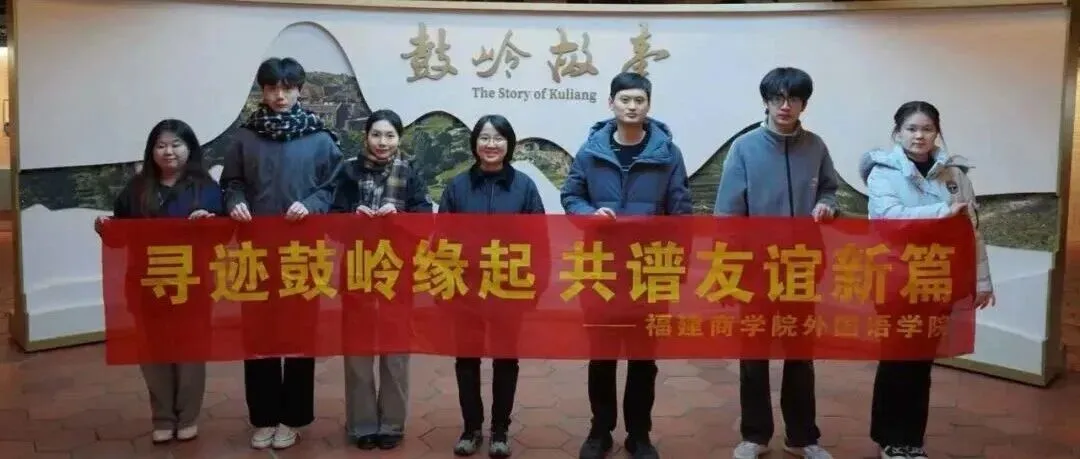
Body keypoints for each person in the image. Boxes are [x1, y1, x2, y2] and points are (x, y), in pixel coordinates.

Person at [561, 71, 692, 459]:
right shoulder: (590, 151)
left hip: (649, 271)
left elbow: (681, 213)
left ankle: (639, 435)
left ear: (648, 105)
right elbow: (571, 196)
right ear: (611, 103)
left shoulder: (668, 154)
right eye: (625, 100)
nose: (632, 106)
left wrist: (678, 268)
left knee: (643, 359)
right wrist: (588, 215)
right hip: (600, 270)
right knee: (601, 357)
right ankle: (599, 432)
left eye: (639, 100)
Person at [858, 101, 995, 459]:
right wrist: (941, 212)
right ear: (898, 133)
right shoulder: (883, 173)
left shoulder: (955, 176)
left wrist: (982, 281)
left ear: (937, 133)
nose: (919, 136)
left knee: (921, 364)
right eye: (911, 129)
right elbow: (890, 219)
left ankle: (911, 441)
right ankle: (889, 438)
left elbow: (972, 232)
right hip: (896, 281)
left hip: (935, 279)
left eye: (927, 129)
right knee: (897, 361)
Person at [219, 57, 343, 450]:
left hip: (303, 253)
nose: (280, 96)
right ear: (263, 90)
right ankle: (264, 417)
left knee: (300, 334)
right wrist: (235, 201)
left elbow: (334, 187)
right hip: (255, 253)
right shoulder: (246, 137)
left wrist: (313, 204)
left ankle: (293, 417)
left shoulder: (320, 139)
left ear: (299, 90)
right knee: (259, 336)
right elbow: (231, 182)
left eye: (288, 88)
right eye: (272, 88)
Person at [712, 67, 837, 459]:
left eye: (794, 99)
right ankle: (755, 435)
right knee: (754, 354)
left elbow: (831, 189)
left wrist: (827, 204)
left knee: (800, 353)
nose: (785, 106)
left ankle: (801, 437)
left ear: (803, 104)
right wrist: (727, 269)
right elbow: (727, 214)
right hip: (755, 270)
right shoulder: (744, 148)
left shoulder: (815, 146)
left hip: (802, 266)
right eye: (777, 98)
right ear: (765, 102)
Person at [94, 119, 222, 444]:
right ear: (152, 151)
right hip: (147, 283)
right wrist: (104, 226)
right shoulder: (137, 189)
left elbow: (225, 235)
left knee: (190, 351)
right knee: (153, 352)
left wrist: (209, 224)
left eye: (176, 144)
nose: (169, 152)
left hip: (192, 283)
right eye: (161, 145)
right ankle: (163, 417)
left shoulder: (206, 187)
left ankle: (188, 416)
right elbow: (119, 236)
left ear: (189, 148)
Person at [438, 115, 546, 458]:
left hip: (509, 288)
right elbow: (441, 241)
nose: (491, 144)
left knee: (505, 360)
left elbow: (540, 242)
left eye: (498, 138)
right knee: (466, 360)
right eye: (484, 137)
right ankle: (471, 428)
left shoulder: (524, 187)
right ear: (475, 143)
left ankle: (500, 430)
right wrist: (443, 288)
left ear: (509, 144)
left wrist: (535, 288)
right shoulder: (457, 187)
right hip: (465, 289)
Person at [330, 109, 432, 450]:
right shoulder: (348, 170)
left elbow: (425, 221)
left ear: (399, 138)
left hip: (396, 270)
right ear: (366, 137)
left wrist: (399, 216)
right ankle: (361, 425)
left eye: (390, 135)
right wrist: (352, 218)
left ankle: (391, 424)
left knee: (395, 350)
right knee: (358, 349)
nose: (383, 142)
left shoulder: (411, 171)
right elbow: (331, 222)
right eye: (376, 135)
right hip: (358, 268)